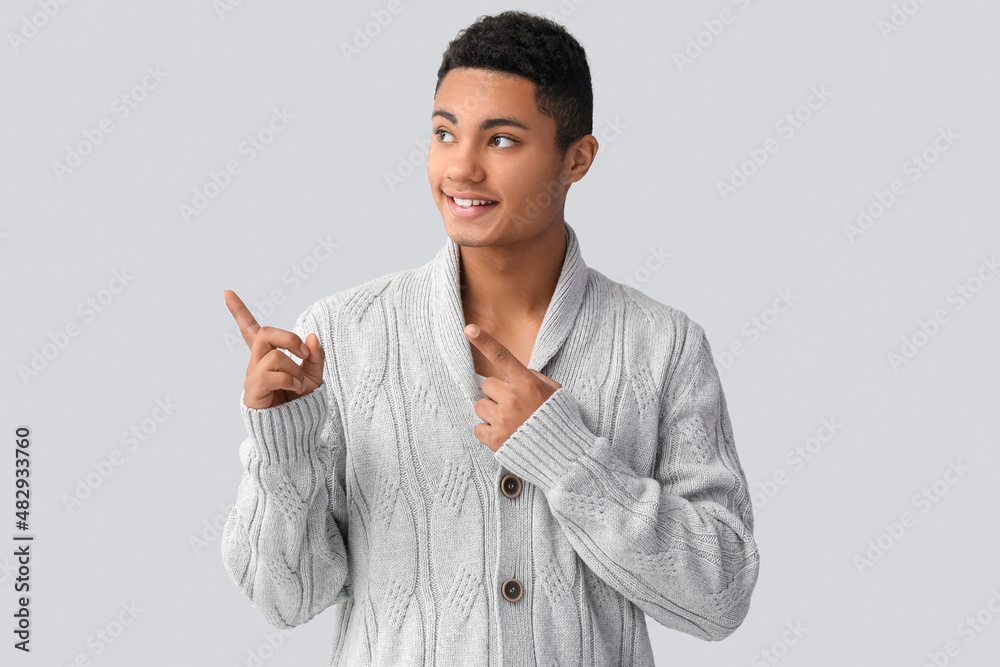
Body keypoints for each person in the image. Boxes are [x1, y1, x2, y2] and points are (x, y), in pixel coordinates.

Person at [222, 10, 759, 666]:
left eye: (501, 141)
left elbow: (721, 592)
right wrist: (285, 447)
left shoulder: (663, 345)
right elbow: (288, 598)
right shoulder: (342, 335)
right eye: (445, 134)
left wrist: (567, 456)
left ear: (577, 158)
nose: (462, 168)